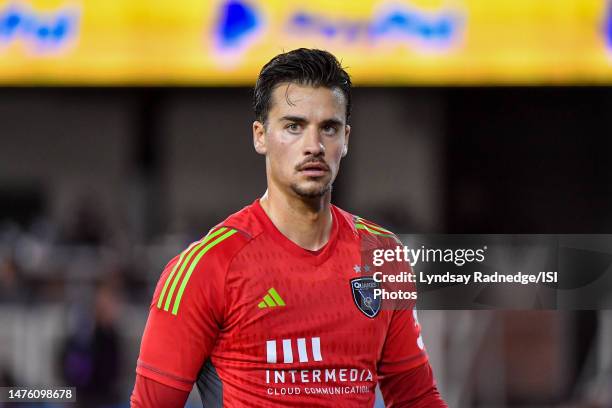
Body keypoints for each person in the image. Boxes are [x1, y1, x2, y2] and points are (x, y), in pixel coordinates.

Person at [131, 48, 447, 407]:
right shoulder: (206, 268)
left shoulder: (382, 255)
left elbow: (416, 397)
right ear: (260, 136)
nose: (313, 146)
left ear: (345, 139)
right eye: (293, 126)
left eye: (328, 128)